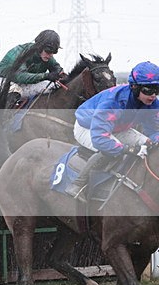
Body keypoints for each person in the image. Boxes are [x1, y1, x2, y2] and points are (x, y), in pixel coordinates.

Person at [65, 61, 159, 198]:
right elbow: (100, 139)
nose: (153, 95)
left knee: (148, 144)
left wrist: (154, 142)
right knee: (112, 151)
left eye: (157, 90)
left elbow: (154, 131)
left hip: (116, 127)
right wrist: (128, 149)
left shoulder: (153, 104)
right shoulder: (114, 102)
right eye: (148, 90)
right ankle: (78, 184)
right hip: (88, 127)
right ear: (134, 87)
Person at [0, 29, 67, 107]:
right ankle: (1, 118)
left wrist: (63, 76)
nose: (50, 55)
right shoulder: (21, 52)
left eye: (53, 52)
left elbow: (57, 69)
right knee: (15, 91)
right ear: (39, 46)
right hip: (1, 81)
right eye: (48, 51)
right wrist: (46, 76)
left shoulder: (46, 56)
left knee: (54, 87)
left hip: (24, 84)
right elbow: (21, 77)